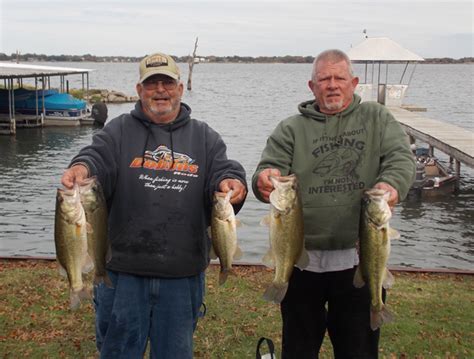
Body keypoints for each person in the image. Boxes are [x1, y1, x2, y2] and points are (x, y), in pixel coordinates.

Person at [61, 52, 247, 359]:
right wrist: (81, 168)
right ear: (139, 90)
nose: (160, 90)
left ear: (180, 88)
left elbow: (224, 170)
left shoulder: (205, 136)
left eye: (167, 82)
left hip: (182, 276)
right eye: (152, 83)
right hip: (121, 275)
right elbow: (96, 157)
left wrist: (232, 182)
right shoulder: (117, 131)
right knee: (118, 352)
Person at [252, 49, 415, 358]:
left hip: (359, 261)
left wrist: (391, 184)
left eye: (339, 78)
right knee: (299, 349)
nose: (332, 85)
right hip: (301, 263)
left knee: (358, 350)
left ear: (353, 83)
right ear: (312, 87)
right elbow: (268, 167)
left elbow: (400, 157)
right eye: (323, 79)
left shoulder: (376, 118)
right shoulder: (290, 128)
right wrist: (264, 178)